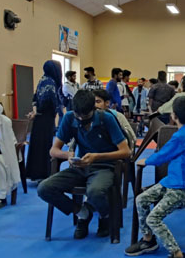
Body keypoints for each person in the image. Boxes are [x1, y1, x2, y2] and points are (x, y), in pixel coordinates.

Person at [37, 90, 132, 239]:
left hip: (104, 167)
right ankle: (83, 213)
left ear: (93, 109)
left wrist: (96, 157)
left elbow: (126, 152)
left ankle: (104, 216)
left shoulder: (106, 118)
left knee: (94, 192)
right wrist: (68, 155)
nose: (81, 119)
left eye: (86, 116)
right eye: (78, 115)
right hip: (80, 167)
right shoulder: (69, 118)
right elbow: (53, 150)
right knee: (44, 188)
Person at [124, 96, 185, 258]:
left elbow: (163, 155)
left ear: (173, 115)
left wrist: (146, 161)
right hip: (171, 181)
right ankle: (148, 240)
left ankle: (178, 256)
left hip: (182, 186)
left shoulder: (182, 136)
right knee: (141, 199)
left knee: (153, 218)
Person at [26, 60, 62, 181]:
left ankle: (34, 173)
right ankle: (43, 173)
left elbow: (34, 98)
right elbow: (50, 102)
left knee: (37, 145)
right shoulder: (51, 83)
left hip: (39, 118)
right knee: (45, 145)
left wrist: (36, 111)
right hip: (46, 119)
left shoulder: (42, 80)